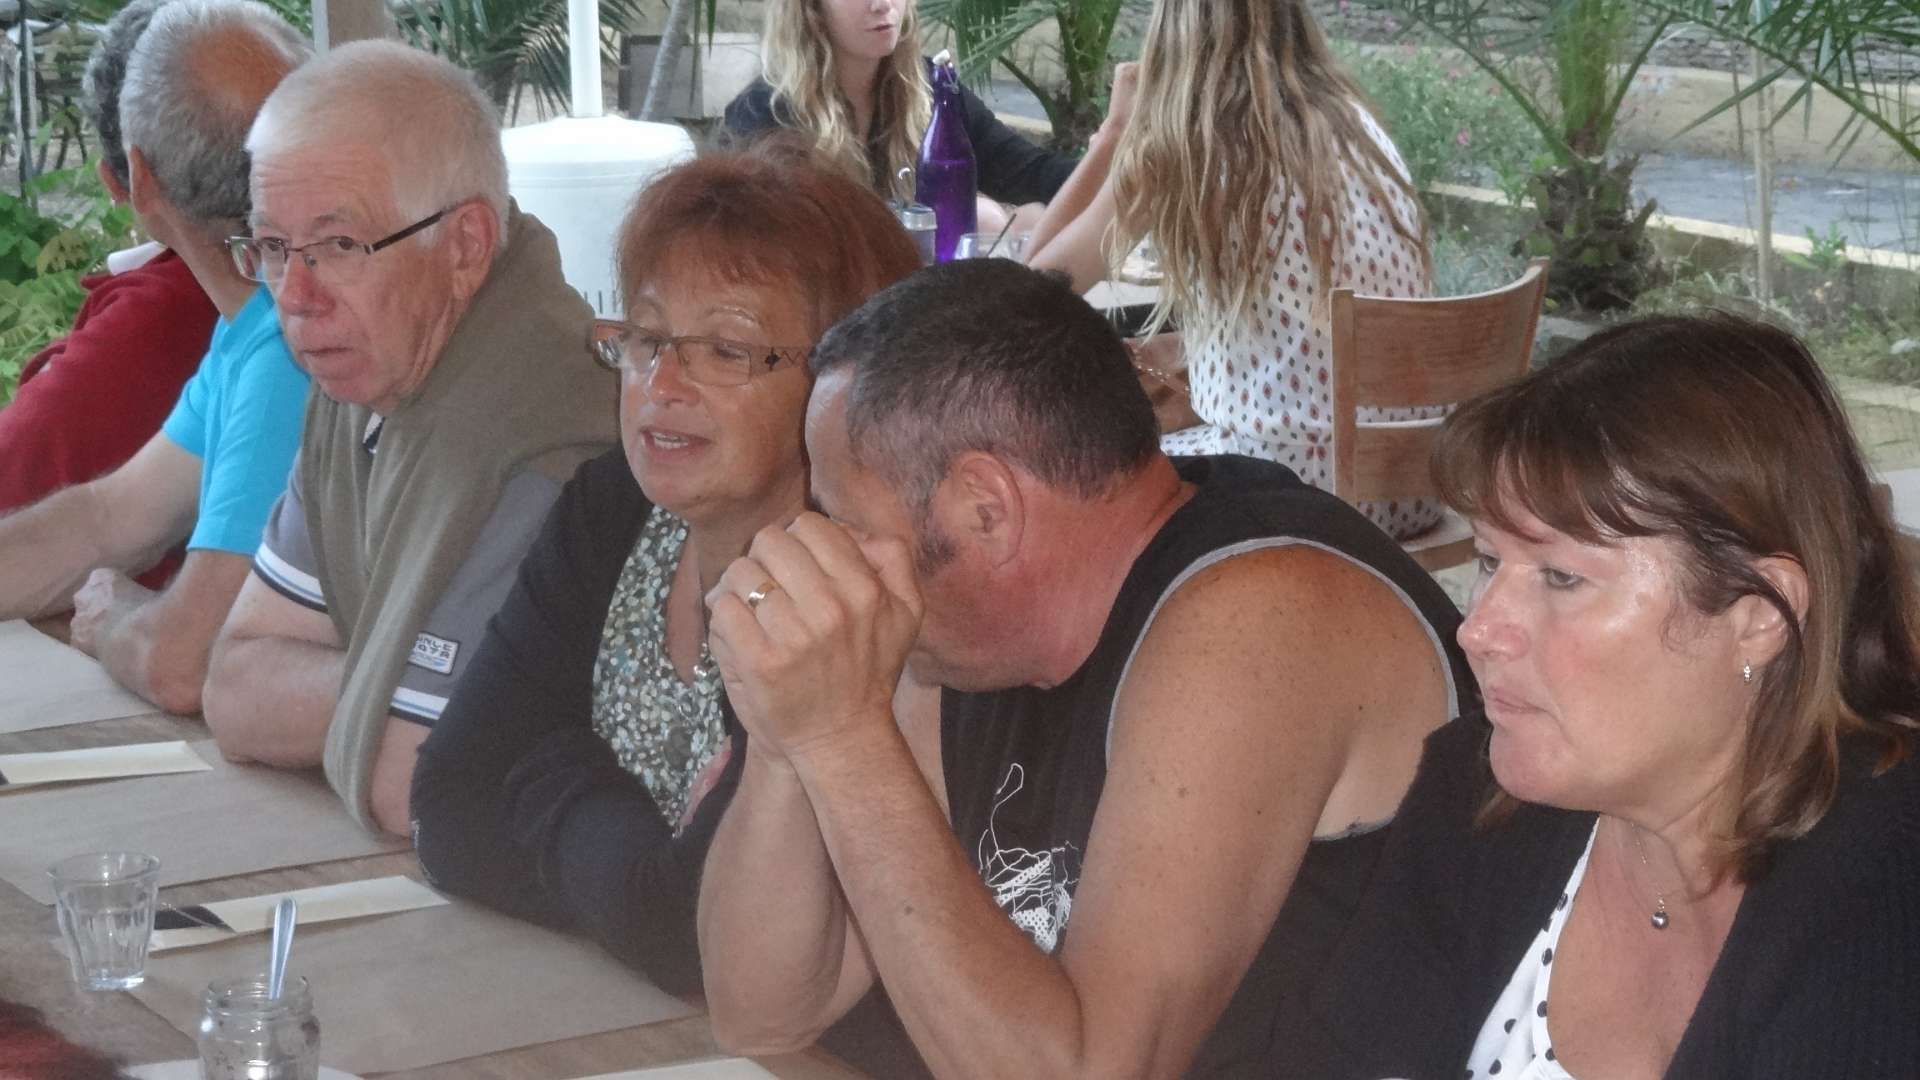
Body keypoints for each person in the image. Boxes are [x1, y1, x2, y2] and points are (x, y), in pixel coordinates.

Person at [696, 259, 1474, 1077]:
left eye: (846, 522)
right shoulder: (963, 631)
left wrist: (846, 739)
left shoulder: (1261, 617)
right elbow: (761, 1014)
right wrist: (787, 736)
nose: (831, 555)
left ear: (985, 509)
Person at [1276, 313, 1920, 1078]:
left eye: (1561, 577)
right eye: (1488, 560)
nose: (1477, 631)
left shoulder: (1882, 911)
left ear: (1758, 617)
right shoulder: (1477, 794)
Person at [409, 145, 921, 993]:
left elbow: (699, 937)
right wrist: (628, 861)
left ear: (843, 382)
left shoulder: (840, 594)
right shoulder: (610, 509)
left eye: (726, 349)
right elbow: (447, 808)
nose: (662, 383)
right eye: (646, 338)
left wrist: (550, 773)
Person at [200, 41, 617, 838]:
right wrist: (392, 687)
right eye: (274, 248)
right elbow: (234, 682)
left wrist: (376, 698)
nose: (297, 297)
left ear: (464, 246)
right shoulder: (366, 375)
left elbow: (417, 781)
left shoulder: (543, 444)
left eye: (339, 246)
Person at [1026, 0, 1437, 540]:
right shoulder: (1356, 128)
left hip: (1290, 488)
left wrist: (1115, 130)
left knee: (1071, 478)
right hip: (1410, 485)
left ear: (1173, 33)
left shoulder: (1194, 142)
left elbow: (1033, 288)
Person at [0, 0, 310, 715]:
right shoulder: (252, 321)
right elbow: (108, 518)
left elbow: (184, 663)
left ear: (136, 178)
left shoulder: (290, 335)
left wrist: (114, 617)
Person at [0, 0, 219, 595]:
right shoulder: (238, 312)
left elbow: (25, 475)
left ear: (127, 181)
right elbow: (115, 518)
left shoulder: (178, 312)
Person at [722, 0, 1077, 228]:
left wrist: (1109, 158)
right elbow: (772, 244)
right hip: (824, 311)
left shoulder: (933, 89)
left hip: (922, 307)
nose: (882, 5)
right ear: (811, 8)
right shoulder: (764, 113)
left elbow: (1035, 174)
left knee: (1026, 217)